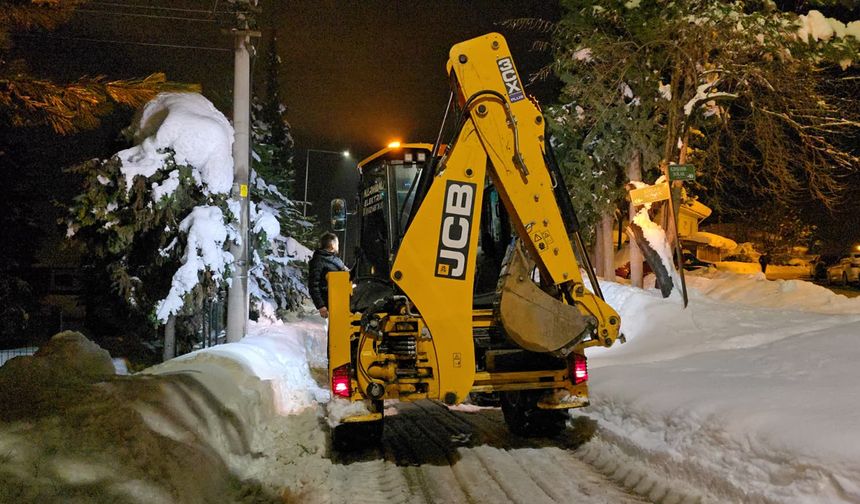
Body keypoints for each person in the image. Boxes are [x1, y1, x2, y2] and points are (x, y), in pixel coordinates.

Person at [308, 232, 348, 318]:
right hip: (331, 302)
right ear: (333, 245)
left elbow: (347, 273)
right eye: (337, 243)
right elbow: (313, 285)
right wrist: (321, 306)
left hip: (341, 299)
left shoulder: (334, 259)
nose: (338, 246)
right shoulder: (318, 261)